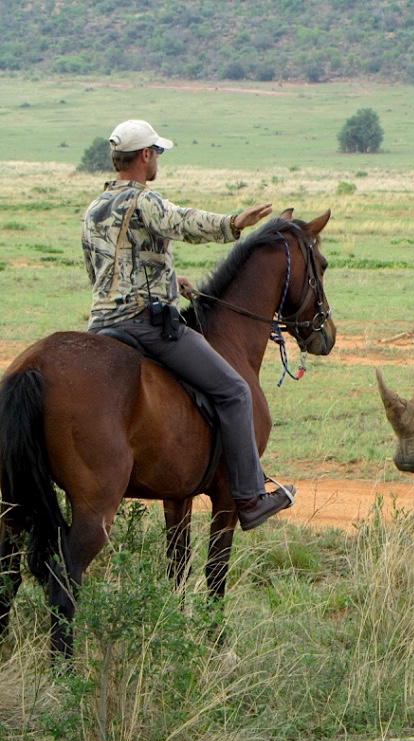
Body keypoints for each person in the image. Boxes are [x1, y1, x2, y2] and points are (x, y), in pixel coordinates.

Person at [81, 118, 294, 530]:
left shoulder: (94, 209)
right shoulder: (145, 200)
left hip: (102, 325)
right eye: (156, 152)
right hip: (145, 325)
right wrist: (234, 222)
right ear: (144, 156)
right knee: (234, 390)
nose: (157, 158)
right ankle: (250, 497)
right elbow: (182, 222)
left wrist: (167, 280)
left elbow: (103, 272)